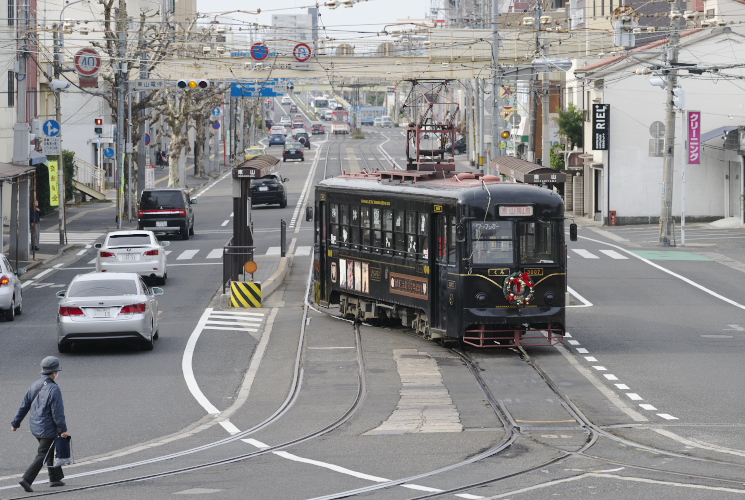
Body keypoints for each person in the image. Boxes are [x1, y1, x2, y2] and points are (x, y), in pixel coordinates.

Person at [11, 356, 70, 492]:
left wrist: (16, 423)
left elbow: (24, 405)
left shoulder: (35, 384)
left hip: (36, 427)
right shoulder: (54, 389)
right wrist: (63, 430)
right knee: (43, 454)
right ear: (55, 372)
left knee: (50, 450)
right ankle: (26, 479)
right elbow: (58, 413)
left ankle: (54, 478)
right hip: (48, 428)